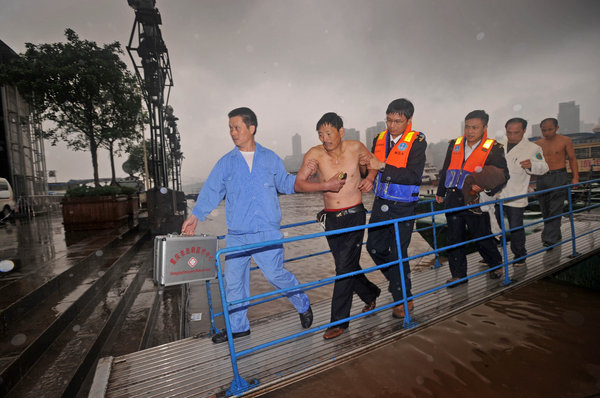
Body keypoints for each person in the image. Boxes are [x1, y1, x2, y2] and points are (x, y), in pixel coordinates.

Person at [181, 107, 313, 344]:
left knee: (275, 275)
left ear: (251, 128)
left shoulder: (270, 158)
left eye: (237, 127)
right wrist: (195, 216)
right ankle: (239, 327)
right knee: (234, 283)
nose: (232, 132)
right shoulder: (225, 163)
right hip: (237, 235)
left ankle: (302, 304)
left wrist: (308, 175)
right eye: (230, 128)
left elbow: (286, 184)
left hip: (266, 232)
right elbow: (211, 191)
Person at [295, 112, 381, 340]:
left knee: (343, 268)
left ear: (341, 132)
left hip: (354, 214)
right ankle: (370, 292)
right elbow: (299, 184)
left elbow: (375, 164)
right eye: (321, 134)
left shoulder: (355, 147)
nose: (325, 139)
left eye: (329, 133)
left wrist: (370, 178)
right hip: (330, 218)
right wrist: (325, 185)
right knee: (346, 265)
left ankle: (339, 321)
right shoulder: (314, 154)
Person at [360, 98, 426, 319]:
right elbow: (370, 168)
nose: (392, 125)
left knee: (399, 253)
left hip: (404, 207)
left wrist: (384, 167)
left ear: (409, 120)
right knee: (374, 248)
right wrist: (365, 172)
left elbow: (413, 176)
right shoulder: (378, 139)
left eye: (398, 121)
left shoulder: (417, 141)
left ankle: (403, 298)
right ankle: (398, 282)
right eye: (389, 120)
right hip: (381, 204)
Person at [436, 110, 509, 286]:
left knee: (481, 235)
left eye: (475, 127)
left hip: (474, 198)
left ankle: (496, 265)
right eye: (467, 127)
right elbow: (446, 168)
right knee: (454, 237)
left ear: (485, 127)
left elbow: (503, 175)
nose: (470, 131)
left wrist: (485, 187)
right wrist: (440, 192)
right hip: (453, 197)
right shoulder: (455, 144)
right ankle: (459, 275)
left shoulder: (494, 147)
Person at [495, 118, 548, 264]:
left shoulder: (533, 148)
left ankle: (520, 255)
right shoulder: (497, 145)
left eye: (516, 132)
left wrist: (532, 165)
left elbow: (544, 168)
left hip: (515, 194)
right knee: (492, 226)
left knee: (516, 227)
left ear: (524, 131)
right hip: (496, 194)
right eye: (509, 132)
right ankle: (492, 256)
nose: (512, 136)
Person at [535, 118, 579, 248]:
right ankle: (556, 234)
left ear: (557, 128)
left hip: (559, 175)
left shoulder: (565, 140)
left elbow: (572, 159)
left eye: (550, 129)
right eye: (544, 130)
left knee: (555, 208)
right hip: (542, 178)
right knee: (545, 208)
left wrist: (575, 177)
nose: (547, 132)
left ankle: (549, 239)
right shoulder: (538, 144)